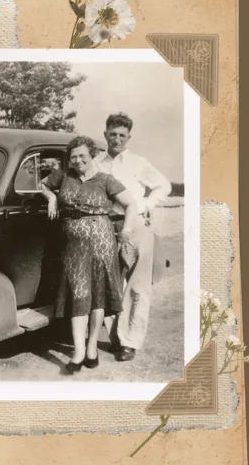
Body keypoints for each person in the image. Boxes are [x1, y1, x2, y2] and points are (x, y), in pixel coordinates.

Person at [41, 136, 137, 372]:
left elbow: (131, 204)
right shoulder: (64, 176)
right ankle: (78, 351)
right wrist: (52, 197)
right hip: (74, 245)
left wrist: (126, 230)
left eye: (82, 155)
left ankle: (92, 346)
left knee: (97, 297)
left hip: (102, 243)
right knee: (78, 295)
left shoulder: (105, 180)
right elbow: (42, 184)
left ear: (92, 154)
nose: (77, 160)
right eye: (73, 157)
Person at [95, 112, 172, 362]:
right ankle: (117, 336)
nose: (117, 139)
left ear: (129, 138)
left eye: (122, 135)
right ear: (105, 134)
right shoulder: (96, 163)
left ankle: (130, 342)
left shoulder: (139, 162)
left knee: (138, 287)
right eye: (112, 134)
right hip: (107, 226)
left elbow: (164, 186)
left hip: (137, 226)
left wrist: (145, 205)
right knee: (109, 284)